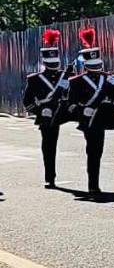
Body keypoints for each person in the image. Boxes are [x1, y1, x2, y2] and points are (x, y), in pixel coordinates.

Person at [66, 27, 114, 198]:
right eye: (92, 65)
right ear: (86, 66)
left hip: (105, 117)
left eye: (98, 64)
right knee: (94, 152)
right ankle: (93, 185)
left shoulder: (107, 77)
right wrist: (83, 109)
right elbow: (71, 104)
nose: (96, 67)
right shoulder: (77, 81)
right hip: (89, 120)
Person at [23, 29, 70, 189]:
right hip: (46, 114)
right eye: (50, 65)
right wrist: (40, 111)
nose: (53, 68)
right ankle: (50, 177)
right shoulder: (35, 79)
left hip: (62, 113)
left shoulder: (65, 76)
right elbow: (27, 102)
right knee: (49, 146)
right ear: (45, 63)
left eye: (55, 65)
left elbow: (72, 97)